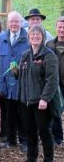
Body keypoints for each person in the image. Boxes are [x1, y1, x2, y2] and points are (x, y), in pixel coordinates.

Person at [14, 25, 59, 162]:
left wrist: (45, 99)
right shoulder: (25, 55)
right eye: (32, 34)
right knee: (30, 131)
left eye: (38, 34)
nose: (35, 36)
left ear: (43, 37)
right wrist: (16, 72)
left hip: (41, 103)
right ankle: (31, 158)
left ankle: (48, 159)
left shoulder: (49, 55)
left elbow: (52, 80)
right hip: (25, 101)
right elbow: (22, 77)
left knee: (45, 133)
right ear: (28, 37)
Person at [0, 11, 29, 150]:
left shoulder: (27, 38)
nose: (14, 24)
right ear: (7, 23)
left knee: (23, 113)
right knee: (8, 113)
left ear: (21, 23)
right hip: (5, 84)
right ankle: (10, 140)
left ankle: (24, 141)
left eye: (16, 21)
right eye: (11, 21)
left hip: (22, 84)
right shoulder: (1, 37)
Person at [46, 16, 64, 146]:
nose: (62, 29)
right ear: (56, 28)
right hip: (54, 84)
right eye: (60, 27)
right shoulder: (49, 44)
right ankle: (57, 138)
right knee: (56, 111)